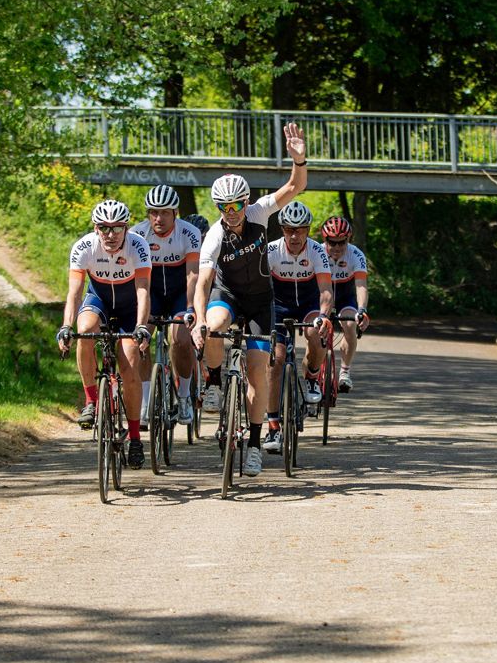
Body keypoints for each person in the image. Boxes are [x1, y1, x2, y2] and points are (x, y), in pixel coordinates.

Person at [191, 122, 309, 478]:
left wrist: (299, 160)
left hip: (260, 301)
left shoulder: (259, 213)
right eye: (224, 206)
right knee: (214, 327)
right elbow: (203, 282)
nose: (232, 211)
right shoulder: (214, 236)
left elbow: (294, 187)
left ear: (246, 201)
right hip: (226, 295)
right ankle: (213, 381)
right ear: (218, 207)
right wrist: (198, 319)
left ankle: (255, 444)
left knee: (259, 369)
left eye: (237, 204)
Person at [56, 200, 151, 467]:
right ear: (96, 228)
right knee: (84, 330)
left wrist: (141, 325)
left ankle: (134, 438)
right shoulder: (84, 247)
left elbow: (143, 289)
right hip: (98, 299)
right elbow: (74, 293)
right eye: (104, 228)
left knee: (130, 368)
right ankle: (91, 400)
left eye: (116, 228)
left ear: (126, 228)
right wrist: (66, 326)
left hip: (129, 305)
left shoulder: (139, 246)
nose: (110, 235)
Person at [262, 200, 333, 455]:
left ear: (308, 230)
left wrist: (324, 316)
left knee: (315, 333)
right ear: (282, 229)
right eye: (289, 229)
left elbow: (325, 290)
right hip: (278, 307)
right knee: (276, 360)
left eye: (300, 229)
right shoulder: (270, 251)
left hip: (309, 304)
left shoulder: (316, 251)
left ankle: (312, 376)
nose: (294, 235)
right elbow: (260, 290)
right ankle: (272, 425)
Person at [132, 184, 201, 428]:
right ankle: (145, 401)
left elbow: (193, 275)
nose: (158, 218)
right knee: (139, 341)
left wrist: (191, 308)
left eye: (164, 213)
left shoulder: (190, 233)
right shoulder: (137, 235)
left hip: (180, 294)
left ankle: (183, 397)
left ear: (175, 213)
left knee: (181, 339)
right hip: (152, 295)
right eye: (153, 212)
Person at [319, 215, 369, 391]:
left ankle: (345, 373)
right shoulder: (316, 252)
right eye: (333, 242)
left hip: (344, 297)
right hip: (321, 296)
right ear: (325, 239)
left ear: (349, 239)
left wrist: (362, 310)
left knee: (349, 326)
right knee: (315, 331)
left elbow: (361, 285)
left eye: (342, 242)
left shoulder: (356, 254)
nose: (337, 247)